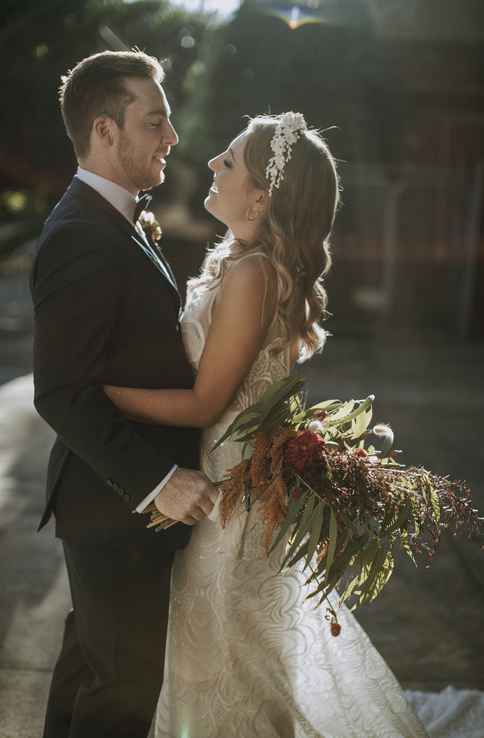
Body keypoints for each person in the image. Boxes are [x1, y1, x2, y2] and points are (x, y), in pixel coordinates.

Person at [104, 113, 429, 737]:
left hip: (229, 503)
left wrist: (105, 396)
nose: (213, 166)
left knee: (224, 663)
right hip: (230, 485)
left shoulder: (253, 276)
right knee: (226, 659)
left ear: (262, 195)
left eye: (228, 160)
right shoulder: (239, 261)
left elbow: (205, 405)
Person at [30, 50, 217, 738]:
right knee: (123, 692)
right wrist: (159, 480)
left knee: (93, 671)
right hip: (114, 502)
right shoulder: (82, 233)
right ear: (106, 131)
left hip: (111, 505)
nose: (171, 136)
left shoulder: (113, 219)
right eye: (156, 120)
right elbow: (59, 390)